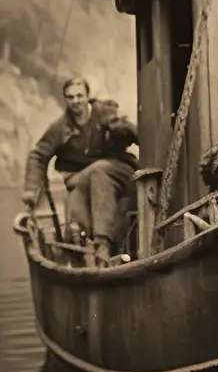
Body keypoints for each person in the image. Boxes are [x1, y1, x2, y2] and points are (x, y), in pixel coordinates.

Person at [22, 77, 138, 257]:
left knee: (98, 170)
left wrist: (120, 127)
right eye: (70, 97)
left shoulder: (104, 113)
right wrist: (31, 190)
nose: (76, 101)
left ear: (87, 96)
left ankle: (102, 244)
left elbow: (136, 134)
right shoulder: (60, 128)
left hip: (120, 169)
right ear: (65, 99)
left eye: (79, 96)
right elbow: (38, 155)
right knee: (77, 189)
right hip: (84, 177)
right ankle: (82, 248)